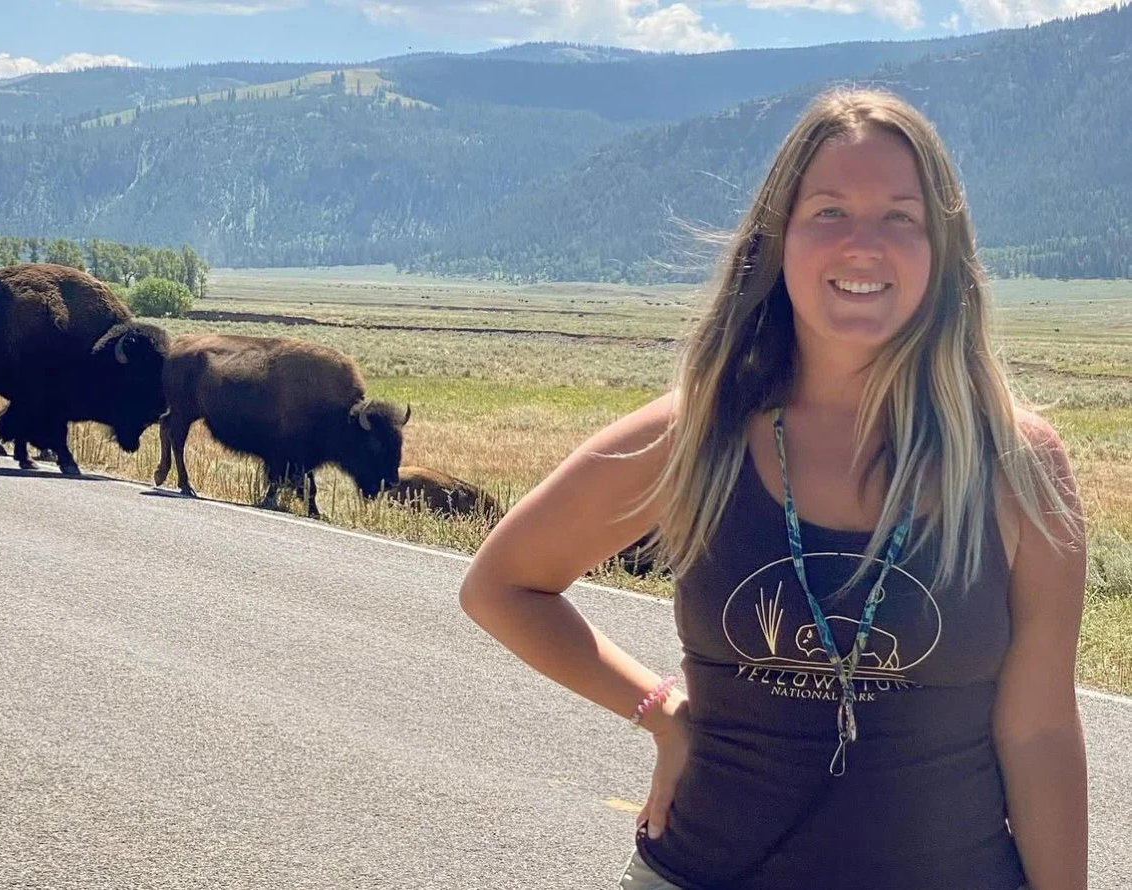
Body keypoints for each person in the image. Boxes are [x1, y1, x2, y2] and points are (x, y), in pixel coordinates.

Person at [458, 87, 1087, 890]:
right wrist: (662, 713)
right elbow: (502, 584)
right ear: (777, 240)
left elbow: (1039, 730)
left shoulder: (1016, 462)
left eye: (902, 216)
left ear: (944, 250)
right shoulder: (699, 433)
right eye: (829, 212)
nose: (865, 245)